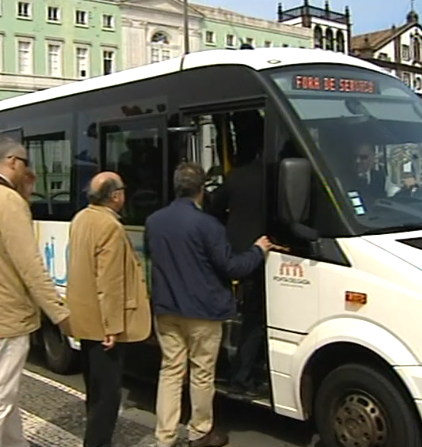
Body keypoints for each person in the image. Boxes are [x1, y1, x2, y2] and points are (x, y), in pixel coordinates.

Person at [145, 162, 272, 447]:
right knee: (201, 373)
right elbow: (232, 267)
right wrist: (258, 250)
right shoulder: (208, 225)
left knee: (170, 371)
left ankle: (164, 437)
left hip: (166, 310)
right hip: (202, 312)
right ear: (202, 190)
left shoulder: (154, 221)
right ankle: (199, 431)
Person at [0, 136, 71, 447]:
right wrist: (59, 313)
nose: (27, 173)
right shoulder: (7, 201)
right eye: (25, 166)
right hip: (7, 314)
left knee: (6, 393)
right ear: (12, 162)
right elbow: (30, 264)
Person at [67, 171, 151, 447]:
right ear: (116, 196)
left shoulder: (81, 218)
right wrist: (112, 326)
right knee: (108, 395)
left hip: (85, 318)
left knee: (95, 389)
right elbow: (110, 281)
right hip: (104, 325)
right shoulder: (110, 227)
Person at [207, 110, 268, 397]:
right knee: (254, 321)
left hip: (239, 254)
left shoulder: (237, 177)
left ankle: (240, 373)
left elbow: (214, 209)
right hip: (259, 255)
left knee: (251, 319)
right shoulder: (270, 175)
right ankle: (242, 376)